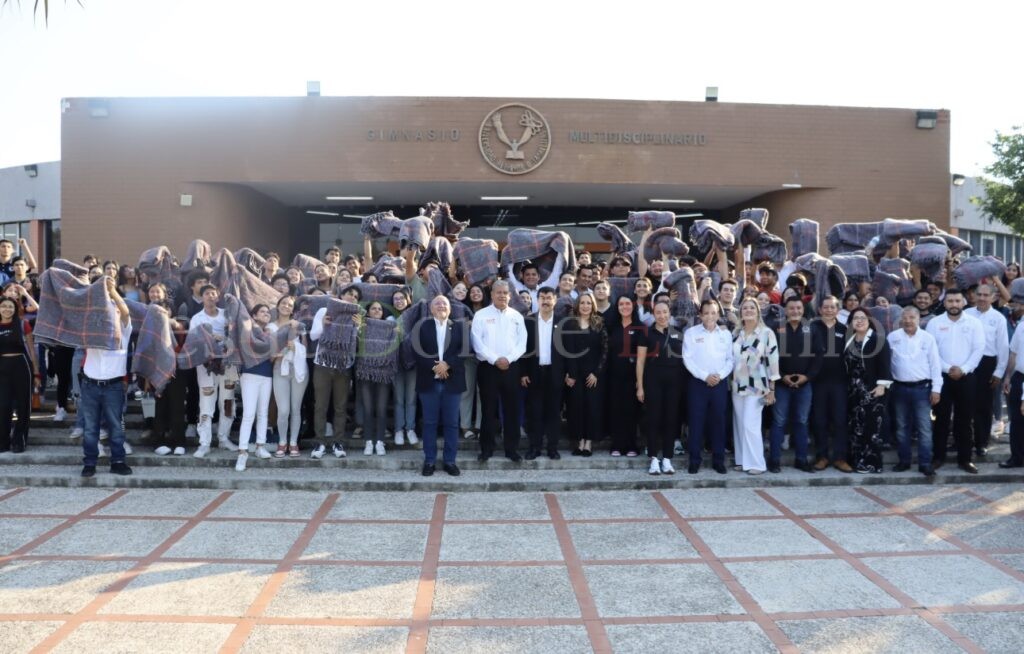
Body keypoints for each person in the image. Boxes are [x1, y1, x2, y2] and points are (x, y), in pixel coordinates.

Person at [926, 288, 985, 473]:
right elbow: (931, 351)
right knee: (940, 419)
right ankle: (938, 457)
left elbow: (979, 349)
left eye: (957, 301)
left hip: (967, 376)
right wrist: (947, 369)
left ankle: (965, 459)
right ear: (944, 303)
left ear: (964, 302)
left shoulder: (974, 323)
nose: (954, 304)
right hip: (941, 377)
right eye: (950, 301)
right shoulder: (934, 323)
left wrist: (963, 369)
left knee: (965, 419)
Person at [80, 276, 132, 477]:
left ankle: (118, 461)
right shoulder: (90, 330)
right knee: (90, 427)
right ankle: (90, 462)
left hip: (113, 386)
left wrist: (112, 292)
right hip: (90, 385)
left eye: (113, 311)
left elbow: (125, 311)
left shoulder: (124, 331)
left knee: (116, 426)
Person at [470, 279, 527, 462]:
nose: (502, 295)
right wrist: (495, 359)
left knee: (512, 409)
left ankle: (512, 449)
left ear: (510, 296)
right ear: (492, 294)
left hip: (511, 367)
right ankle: (487, 449)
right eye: (498, 292)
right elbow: (477, 343)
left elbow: (522, 343)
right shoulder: (481, 315)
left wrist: (507, 359)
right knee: (488, 409)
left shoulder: (517, 316)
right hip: (488, 368)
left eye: (505, 293)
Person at [415, 295, 467, 476]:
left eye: (444, 303)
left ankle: (449, 461)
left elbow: (464, 351)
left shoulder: (460, 327)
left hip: (453, 382)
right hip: (429, 381)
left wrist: (447, 365)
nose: (441, 306)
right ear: (431, 308)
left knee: (451, 423)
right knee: (429, 423)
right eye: (437, 303)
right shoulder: (422, 327)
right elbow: (417, 351)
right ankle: (429, 460)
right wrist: (436, 366)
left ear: (450, 308)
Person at [309, 286, 363, 459]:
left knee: (341, 406)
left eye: (356, 296)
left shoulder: (357, 316)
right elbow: (313, 336)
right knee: (320, 406)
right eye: (350, 294)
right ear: (341, 295)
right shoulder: (324, 310)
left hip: (344, 365)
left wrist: (358, 327)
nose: (352, 297)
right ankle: (319, 442)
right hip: (323, 363)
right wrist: (323, 325)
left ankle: (337, 442)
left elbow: (358, 344)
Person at [887, 306, 942, 476]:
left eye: (911, 317)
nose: (908, 321)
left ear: (918, 319)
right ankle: (904, 461)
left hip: (922, 389)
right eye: (905, 318)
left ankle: (925, 463)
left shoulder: (927, 338)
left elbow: (935, 365)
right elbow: (887, 363)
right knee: (901, 427)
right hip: (899, 388)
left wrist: (936, 389)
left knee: (924, 428)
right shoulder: (892, 337)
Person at [770, 296, 822, 473]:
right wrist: (781, 376)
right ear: (785, 310)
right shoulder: (776, 328)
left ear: (803, 309)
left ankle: (801, 460)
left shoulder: (811, 329)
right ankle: (774, 460)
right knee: (779, 422)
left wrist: (807, 377)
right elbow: (770, 355)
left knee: (802, 421)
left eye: (798, 308)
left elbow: (818, 356)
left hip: (804, 384)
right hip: (781, 384)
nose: (795, 311)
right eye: (791, 308)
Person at [683, 300, 735, 474]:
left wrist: (719, 375)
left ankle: (718, 460)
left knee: (719, 422)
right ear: (700, 315)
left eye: (713, 313)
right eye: (706, 313)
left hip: (719, 383)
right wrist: (704, 376)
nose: (710, 316)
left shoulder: (726, 335)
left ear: (718, 314)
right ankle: (694, 460)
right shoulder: (691, 333)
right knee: (696, 421)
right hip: (698, 384)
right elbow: (687, 359)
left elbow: (730, 360)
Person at [730, 297, 778, 475]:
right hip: (737, 385)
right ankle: (742, 461)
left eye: (752, 308)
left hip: (757, 386)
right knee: (739, 424)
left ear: (758, 312)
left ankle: (757, 464)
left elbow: (773, 361)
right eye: (745, 308)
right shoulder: (737, 333)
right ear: (740, 313)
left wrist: (772, 389)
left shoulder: (766, 333)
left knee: (751, 424)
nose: (748, 310)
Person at [189, 285, 238, 457]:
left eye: (213, 293)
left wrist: (223, 338)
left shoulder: (227, 315)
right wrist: (209, 340)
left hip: (229, 364)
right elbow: (192, 342)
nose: (210, 296)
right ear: (201, 297)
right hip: (206, 366)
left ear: (218, 297)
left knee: (228, 402)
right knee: (206, 403)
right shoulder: (197, 318)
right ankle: (205, 443)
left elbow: (237, 336)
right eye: (207, 293)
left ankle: (224, 438)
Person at [843, 307, 892, 473]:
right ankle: (856, 461)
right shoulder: (849, 339)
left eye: (863, 318)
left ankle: (872, 464)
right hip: (853, 391)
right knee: (855, 426)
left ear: (869, 320)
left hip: (872, 390)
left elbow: (885, 364)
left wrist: (882, 385)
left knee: (871, 428)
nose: (859, 321)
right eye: (855, 318)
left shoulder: (878, 339)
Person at [521, 287, 566, 459]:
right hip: (534, 373)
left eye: (549, 298)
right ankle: (535, 447)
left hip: (556, 373)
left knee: (554, 413)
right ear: (537, 300)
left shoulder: (563, 322)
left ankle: (552, 448)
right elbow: (523, 349)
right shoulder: (528, 321)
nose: (545, 301)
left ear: (555, 300)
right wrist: (523, 372)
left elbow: (568, 350)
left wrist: (569, 373)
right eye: (542, 298)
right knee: (535, 413)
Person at [964, 284, 1009, 456]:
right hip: (966, 362)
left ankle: (981, 442)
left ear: (993, 297)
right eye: (979, 294)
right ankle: (963, 441)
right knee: (964, 403)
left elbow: (1003, 347)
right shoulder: (966, 314)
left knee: (984, 405)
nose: (982, 298)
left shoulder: (998, 318)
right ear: (974, 296)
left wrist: (999, 372)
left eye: (986, 295)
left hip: (987, 364)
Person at [637, 301, 680, 475]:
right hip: (653, 380)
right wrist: (640, 386)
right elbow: (640, 361)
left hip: (674, 382)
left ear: (669, 313)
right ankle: (654, 458)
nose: (662, 316)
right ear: (653, 314)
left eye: (665, 312)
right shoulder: (646, 333)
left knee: (671, 419)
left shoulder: (678, 333)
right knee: (653, 418)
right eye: (658, 312)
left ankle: (667, 458)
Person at [811, 296, 852, 472]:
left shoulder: (845, 329)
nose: (828, 310)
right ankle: (822, 457)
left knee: (840, 420)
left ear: (838, 310)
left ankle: (840, 458)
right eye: (825, 307)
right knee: (819, 420)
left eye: (832, 307)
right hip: (817, 383)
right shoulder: (811, 328)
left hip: (839, 383)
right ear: (820, 309)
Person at [564, 291, 608, 457]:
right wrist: (569, 374)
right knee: (576, 408)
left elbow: (605, 350)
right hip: (574, 374)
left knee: (592, 408)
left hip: (593, 375)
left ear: (593, 305)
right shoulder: (569, 324)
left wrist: (596, 373)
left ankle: (588, 442)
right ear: (577, 305)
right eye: (582, 302)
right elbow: (566, 351)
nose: (585, 306)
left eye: (588, 303)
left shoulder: (599, 323)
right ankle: (579, 441)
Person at [234, 304, 275, 471]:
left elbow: (272, 357)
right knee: (249, 414)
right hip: (250, 374)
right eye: (262, 312)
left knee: (263, 413)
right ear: (254, 315)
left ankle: (260, 446)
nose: (266, 314)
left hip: (267, 375)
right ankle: (242, 452)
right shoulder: (248, 330)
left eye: (268, 312)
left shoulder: (271, 333)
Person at [355, 301, 399, 457]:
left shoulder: (390, 327)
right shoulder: (362, 325)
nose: (376, 310)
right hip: (365, 370)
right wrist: (357, 329)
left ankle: (380, 441)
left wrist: (396, 333)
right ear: (368, 312)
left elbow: (394, 348)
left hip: (383, 371)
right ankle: (368, 441)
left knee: (381, 409)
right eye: (373, 308)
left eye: (379, 309)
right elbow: (354, 345)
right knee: (368, 409)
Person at [605, 295, 645, 457]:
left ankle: (631, 446)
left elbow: (642, 357)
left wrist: (640, 382)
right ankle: (616, 445)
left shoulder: (641, 328)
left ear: (633, 306)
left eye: (628, 304)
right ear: (617, 307)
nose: (624, 307)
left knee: (631, 411)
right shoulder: (611, 326)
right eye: (621, 304)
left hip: (633, 376)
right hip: (613, 375)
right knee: (615, 409)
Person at [270, 295, 307, 457]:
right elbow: (269, 353)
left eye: (290, 305)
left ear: (293, 310)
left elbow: (306, 348)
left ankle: (293, 443)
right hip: (280, 368)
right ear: (278, 306)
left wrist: (296, 347)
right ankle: (282, 441)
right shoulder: (270, 326)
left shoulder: (298, 325)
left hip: (298, 368)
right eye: (283, 303)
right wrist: (280, 352)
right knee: (283, 410)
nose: (286, 306)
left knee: (295, 409)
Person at [0, 296, 38, 453]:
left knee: (23, 405)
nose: (7, 309)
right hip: (2, 368)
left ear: (15, 309)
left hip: (22, 366)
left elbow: (32, 351)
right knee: (3, 405)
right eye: (4, 306)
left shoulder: (23, 324)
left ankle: (19, 440)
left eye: (10, 306)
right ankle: (3, 441)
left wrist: (37, 373)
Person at [389, 288, 418, 447]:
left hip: (413, 362)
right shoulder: (389, 318)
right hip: (396, 363)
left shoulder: (415, 317)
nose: (399, 301)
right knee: (399, 398)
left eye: (402, 298)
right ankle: (399, 429)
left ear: (408, 301)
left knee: (411, 398)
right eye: (396, 299)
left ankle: (410, 429)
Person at [460, 284, 487, 439]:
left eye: (478, 291)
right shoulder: (463, 310)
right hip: (468, 356)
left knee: (482, 391)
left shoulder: (490, 310)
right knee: (467, 391)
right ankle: (465, 426)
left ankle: (480, 425)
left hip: (486, 356)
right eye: (472, 291)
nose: (475, 293)